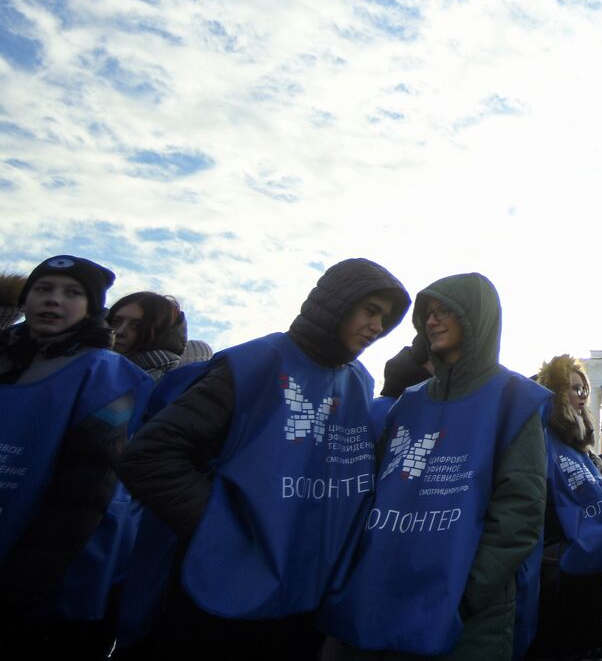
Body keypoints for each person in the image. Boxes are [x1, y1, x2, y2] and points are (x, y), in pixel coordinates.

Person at [117, 258, 408, 660]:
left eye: (386, 318)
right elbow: (149, 456)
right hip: (221, 595)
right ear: (338, 304)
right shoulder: (254, 362)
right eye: (370, 310)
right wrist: (220, 532)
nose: (377, 327)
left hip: (302, 598)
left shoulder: (358, 381)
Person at [319, 273, 550, 661]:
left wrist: (464, 593)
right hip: (386, 595)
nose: (432, 321)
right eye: (428, 313)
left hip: (464, 615)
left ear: (475, 318)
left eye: (446, 311)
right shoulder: (408, 403)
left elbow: (520, 511)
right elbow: (375, 491)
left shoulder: (514, 399)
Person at [0, 255, 151, 656]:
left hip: (36, 571)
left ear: (91, 309)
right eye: (43, 289)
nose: (54, 300)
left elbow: (86, 491)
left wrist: (27, 581)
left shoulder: (109, 378)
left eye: (72, 293)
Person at [525, 354, 602, 660]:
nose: (581, 395)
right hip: (558, 572)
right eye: (573, 388)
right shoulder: (539, 437)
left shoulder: (582, 450)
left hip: (588, 572)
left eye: (584, 390)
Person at [109, 292, 188, 381]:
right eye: (115, 322)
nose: (119, 332)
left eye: (137, 326)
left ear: (162, 334)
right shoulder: (101, 365)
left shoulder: (168, 385)